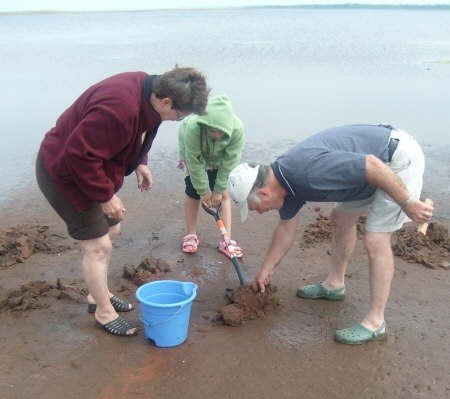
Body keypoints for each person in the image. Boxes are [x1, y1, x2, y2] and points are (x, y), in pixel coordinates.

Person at [36, 67, 209, 337]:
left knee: (112, 228)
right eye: (179, 115)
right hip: (63, 172)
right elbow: (78, 155)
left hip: (88, 169)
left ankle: (98, 295)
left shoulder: (151, 89)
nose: (178, 120)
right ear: (165, 102)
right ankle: (103, 313)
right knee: (97, 245)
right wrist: (105, 196)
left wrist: (140, 161)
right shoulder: (118, 107)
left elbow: (145, 128)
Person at [227, 124, 434, 344]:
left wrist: (408, 202)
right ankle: (335, 284)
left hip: (396, 162)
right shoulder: (283, 182)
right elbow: (286, 227)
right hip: (372, 172)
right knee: (341, 218)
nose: (258, 212)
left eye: (255, 206)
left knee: (376, 238)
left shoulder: (307, 172)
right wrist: (265, 270)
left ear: (263, 192)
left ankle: (376, 322)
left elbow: (373, 166)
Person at [177, 95, 244, 258]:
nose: (216, 134)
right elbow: (194, 162)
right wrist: (203, 191)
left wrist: (218, 190)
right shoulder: (193, 127)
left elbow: (229, 163)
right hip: (194, 152)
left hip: (219, 159)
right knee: (193, 191)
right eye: (212, 130)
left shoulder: (237, 129)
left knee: (224, 194)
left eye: (220, 131)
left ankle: (226, 240)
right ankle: (191, 235)